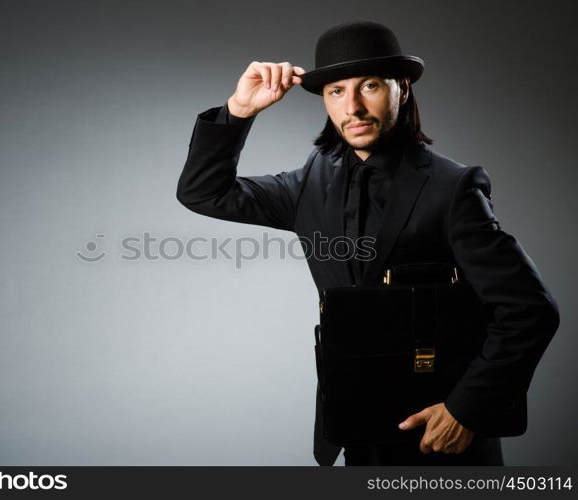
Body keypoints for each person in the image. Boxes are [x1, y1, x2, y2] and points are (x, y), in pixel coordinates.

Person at [176, 20, 559, 465]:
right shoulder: (309, 183)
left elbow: (529, 309)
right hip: (353, 429)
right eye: (336, 91)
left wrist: (467, 411)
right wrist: (239, 110)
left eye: (370, 86)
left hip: (440, 436)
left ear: (402, 89)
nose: (352, 106)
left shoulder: (451, 187)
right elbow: (203, 192)